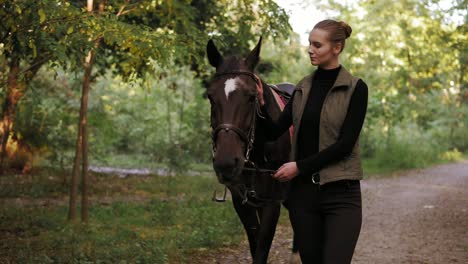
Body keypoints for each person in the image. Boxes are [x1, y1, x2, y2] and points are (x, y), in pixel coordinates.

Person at [260, 19, 368, 263]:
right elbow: (274, 130)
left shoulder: (356, 88)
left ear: (337, 48)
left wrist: (298, 166)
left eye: (317, 45)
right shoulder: (302, 88)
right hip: (303, 197)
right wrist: (259, 100)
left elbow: (345, 145)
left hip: (342, 194)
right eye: (310, 43)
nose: (310, 49)